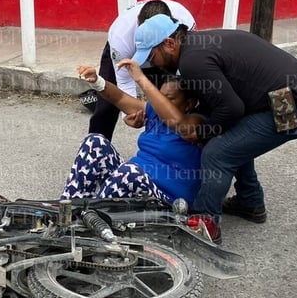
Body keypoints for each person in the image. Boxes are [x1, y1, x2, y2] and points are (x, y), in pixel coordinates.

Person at [117, 14, 297, 241]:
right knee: (234, 139)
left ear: (169, 44)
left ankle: (205, 224)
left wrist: (202, 134)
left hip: (294, 108)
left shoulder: (192, 61)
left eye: (152, 56)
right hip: (290, 96)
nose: (152, 64)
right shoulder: (197, 47)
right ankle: (250, 202)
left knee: (218, 153)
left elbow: (232, 109)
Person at [63, 67, 204, 205]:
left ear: (189, 104)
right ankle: (70, 208)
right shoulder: (156, 113)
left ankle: (90, 216)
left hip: (166, 198)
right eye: (160, 98)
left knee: (130, 172)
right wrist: (97, 81)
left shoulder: (196, 122)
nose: (162, 104)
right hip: (132, 181)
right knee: (94, 142)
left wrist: (140, 78)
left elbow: (185, 127)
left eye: (170, 99)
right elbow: (120, 98)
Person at [88, 0, 197, 141]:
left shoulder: (184, 22)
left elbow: (184, 72)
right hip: (130, 54)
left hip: (167, 55)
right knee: (106, 107)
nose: (150, 61)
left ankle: (169, 149)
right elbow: (124, 81)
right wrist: (129, 114)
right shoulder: (121, 37)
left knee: (171, 101)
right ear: (138, 22)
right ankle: (96, 151)